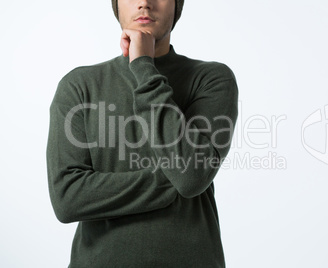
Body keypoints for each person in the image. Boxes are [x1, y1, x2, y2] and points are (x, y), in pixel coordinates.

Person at [46, 0, 238, 267]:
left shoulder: (210, 79)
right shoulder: (79, 86)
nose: (144, 3)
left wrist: (143, 66)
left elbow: (191, 176)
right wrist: (172, 182)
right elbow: (67, 199)